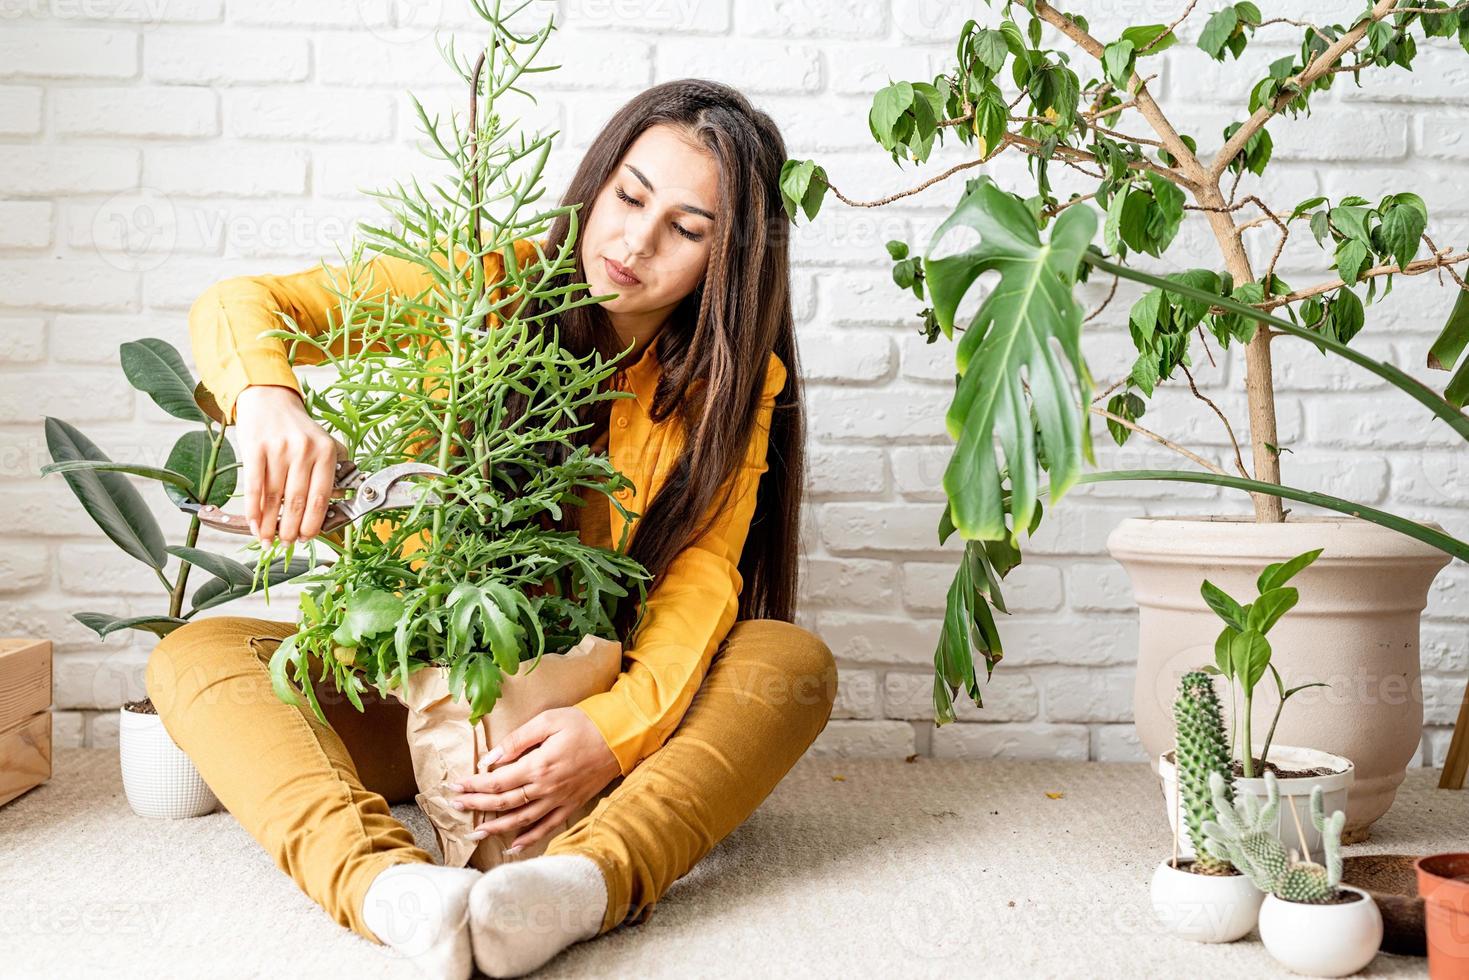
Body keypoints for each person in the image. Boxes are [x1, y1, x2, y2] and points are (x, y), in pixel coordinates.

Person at [145, 79, 838, 978]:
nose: (634, 242)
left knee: (789, 665)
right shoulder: (483, 284)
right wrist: (269, 405)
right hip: (424, 705)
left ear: (727, 257)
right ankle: (390, 894)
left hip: (578, 724)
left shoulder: (730, 391)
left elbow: (698, 576)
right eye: (629, 197)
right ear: (596, 185)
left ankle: (585, 881)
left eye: (687, 228)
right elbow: (245, 302)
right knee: (195, 658)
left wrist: (611, 733)